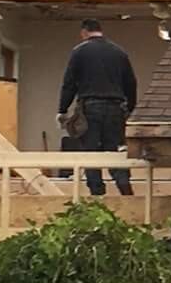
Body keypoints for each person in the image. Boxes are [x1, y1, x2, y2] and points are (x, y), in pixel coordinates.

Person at [58, 18, 138, 196]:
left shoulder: (79, 52)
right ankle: (126, 191)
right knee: (116, 152)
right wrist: (130, 108)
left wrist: (62, 110)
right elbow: (131, 83)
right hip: (115, 108)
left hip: (90, 108)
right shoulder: (119, 52)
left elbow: (69, 83)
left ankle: (97, 195)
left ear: (84, 32)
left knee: (91, 152)